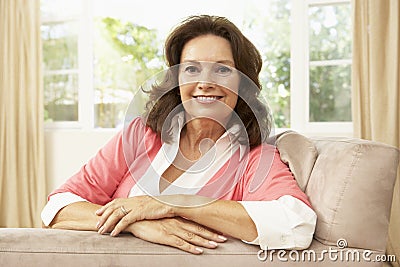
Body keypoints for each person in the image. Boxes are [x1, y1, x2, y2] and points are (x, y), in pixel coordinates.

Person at [41, 15, 316, 255]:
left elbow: (296, 223)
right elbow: (58, 207)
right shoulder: (140, 135)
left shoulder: (255, 159)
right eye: (192, 69)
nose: (205, 82)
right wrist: (138, 222)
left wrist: (175, 204)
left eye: (222, 69)